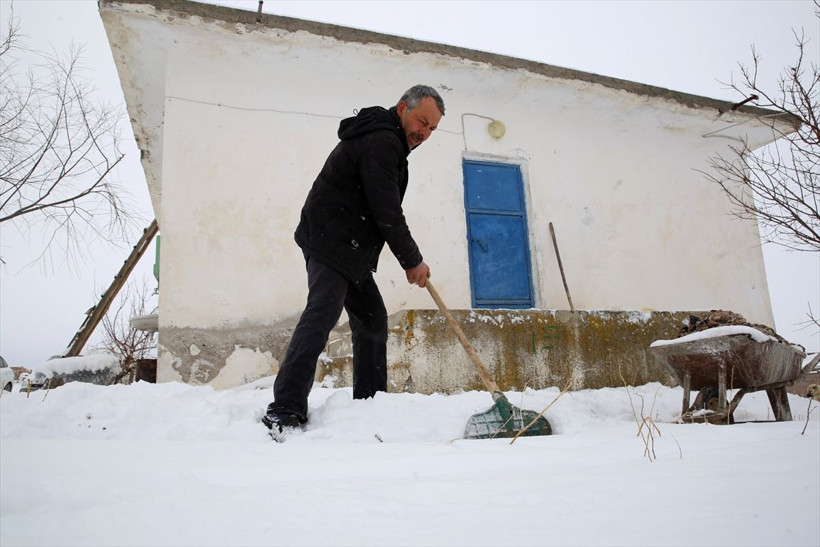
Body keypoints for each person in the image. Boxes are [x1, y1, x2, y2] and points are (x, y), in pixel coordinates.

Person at [263, 85, 445, 435]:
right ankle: (284, 408)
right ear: (403, 107)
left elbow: (379, 208)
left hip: (349, 244)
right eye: (422, 121)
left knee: (372, 317)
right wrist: (412, 260)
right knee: (322, 313)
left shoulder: (387, 139)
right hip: (331, 238)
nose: (424, 133)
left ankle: (370, 403)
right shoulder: (382, 141)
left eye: (432, 129)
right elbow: (386, 211)